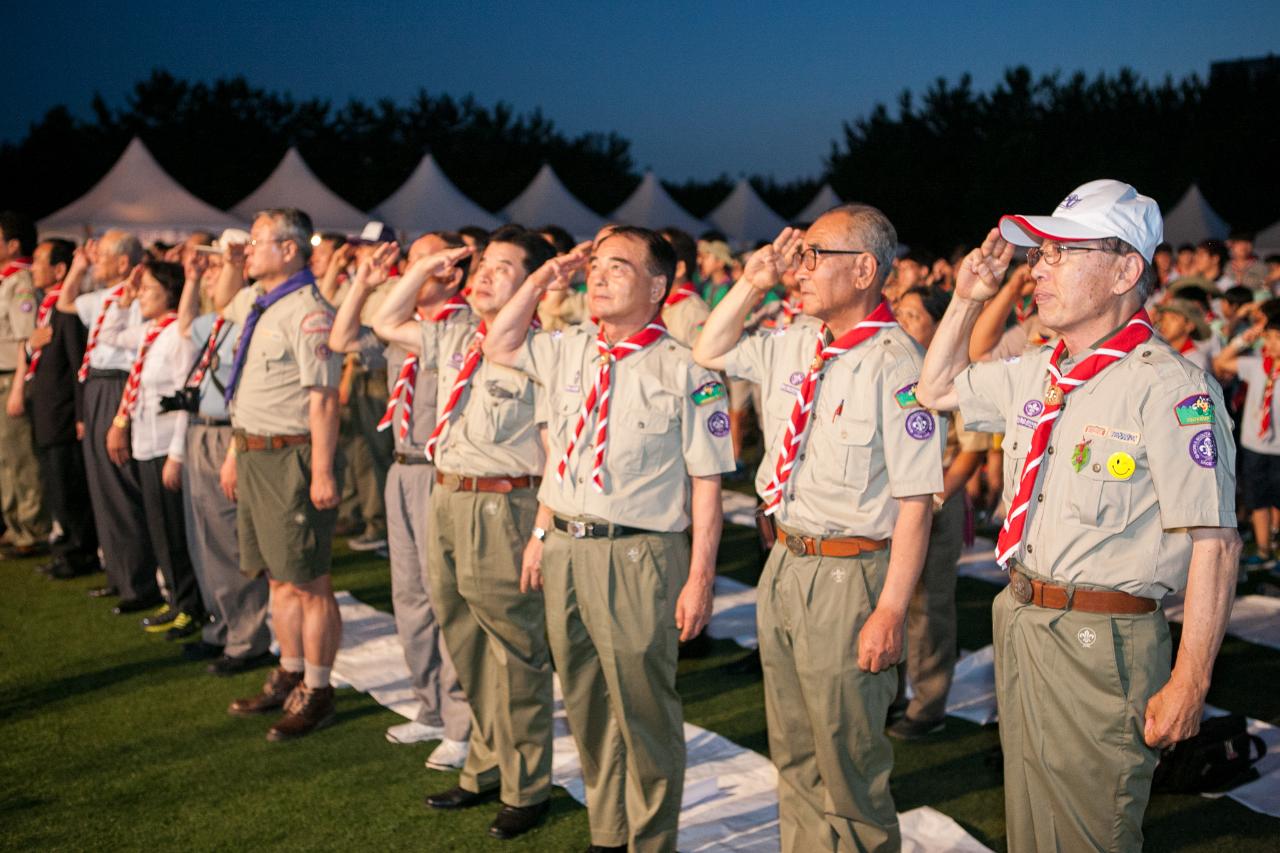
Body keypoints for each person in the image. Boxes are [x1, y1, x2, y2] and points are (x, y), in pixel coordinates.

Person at [917, 179, 1241, 852]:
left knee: (1089, 833)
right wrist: (968, 298)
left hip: (1105, 642)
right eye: (1043, 253)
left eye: (1063, 252)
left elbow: (1215, 541)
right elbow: (936, 388)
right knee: (1033, 828)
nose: (1039, 267)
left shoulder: (1171, 388)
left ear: (1126, 270)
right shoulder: (1042, 370)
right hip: (1024, 619)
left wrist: (1191, 679)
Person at [695, 207, 942, 853]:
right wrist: (751, 283)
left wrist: (890, 609)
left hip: (850, 570)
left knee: (850, 758)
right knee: (795, 747)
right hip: (784, 559)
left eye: (813, 255)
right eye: (797, 255)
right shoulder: (794, 339)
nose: (797, 270)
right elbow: (710, 346)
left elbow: (916, 502)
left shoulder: (898, 364)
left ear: (865, 269)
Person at [486, 225, 734, 853]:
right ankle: (608, 830)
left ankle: (651, 839)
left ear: (657, 286)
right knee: (587, 703)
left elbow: (707, 484)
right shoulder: (569, 348)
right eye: (595, 264)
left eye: (617, 266)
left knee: (644, 708)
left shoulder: (689, 369)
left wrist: (700, 578)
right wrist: (546, 276)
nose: (597, 276)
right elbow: (500, 341)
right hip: (567, 545)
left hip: (639, 554)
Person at [375, 225, 556, 841]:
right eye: (482, 263)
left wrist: (541, 532)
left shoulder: (542, 351)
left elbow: (554, 452)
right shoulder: (453, 334)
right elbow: (382, 319)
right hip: (446, 496)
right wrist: (431, 266)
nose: (483, 274)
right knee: (464, 641)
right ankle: (483, 764)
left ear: (533, 282)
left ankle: (527, 783)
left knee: (516, 650)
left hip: (503, 507)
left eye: (503, 267)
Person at [330, 232, 472, 760]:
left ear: (450, 272)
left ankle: (461, 719)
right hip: (402, 469)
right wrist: (363, 283)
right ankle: (430, 706)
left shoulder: (464, 326)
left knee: (445, 598)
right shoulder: (404, 327)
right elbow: (344, 339)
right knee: (409, 597)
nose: (408, 270)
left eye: (422, 263)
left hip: (442, 471)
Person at [219, 208, 344, 742]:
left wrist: (320, 472)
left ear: (289, 248)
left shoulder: (309, 311)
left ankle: (318, 689)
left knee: (310, 581)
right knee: (277, 576)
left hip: (292, 455)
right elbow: (225, 320)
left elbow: (323, 399)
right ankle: (290, 671)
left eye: (257, 242)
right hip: (252, 450)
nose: (248, 250)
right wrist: (234, 451)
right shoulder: (257, 300)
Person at [889, 285, 990, 739]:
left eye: (913, 315)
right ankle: (889, 694)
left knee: (928, 607)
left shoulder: (956, 375)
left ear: (937, 323)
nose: (902, 320)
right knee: (887, 600)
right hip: (892, 503)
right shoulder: (891, 364)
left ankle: (927, 705)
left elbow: (970, 455)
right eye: (900, 312)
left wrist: (930, 500)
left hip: (936, 503)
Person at [178, 232, 273, 674]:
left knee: (229, 539)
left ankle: (247, 638)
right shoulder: (215, 322)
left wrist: (237, 443)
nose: (214, 276)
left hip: (228, 433)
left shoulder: (254, 319)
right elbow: (184, 327)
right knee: (204, 539)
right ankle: (221, 628)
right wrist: (192, 280)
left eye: (220, 269)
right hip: (200, 428)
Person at [57, 231, 161, 612]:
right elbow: (65, 303)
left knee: (121, 484)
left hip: (120, 385)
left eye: (101, 257)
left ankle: (140, 583)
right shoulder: (102, 297)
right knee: (102, 487)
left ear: (123, 262)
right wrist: (79, 266)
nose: (95, 262)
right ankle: (119, 576)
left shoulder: (138, 295)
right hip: (97, 385)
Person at [98, 261, 203, 640]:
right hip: (144, 443)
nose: (141, 295)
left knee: (175, 530)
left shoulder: (178, 334)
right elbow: (108, 334)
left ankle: (191, 606)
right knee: (159, 528)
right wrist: (124, 298)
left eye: (148, 290)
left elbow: (184, 400)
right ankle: (175, 596)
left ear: (169, 295)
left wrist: (176, 454)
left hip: (165, 446)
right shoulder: (149, 330)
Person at [25, 237, 99, 579]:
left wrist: (81, 415)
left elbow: (77, 365)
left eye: (39, 261)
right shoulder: (46, 306)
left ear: (59, 269)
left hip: (63, 411)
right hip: (46, 410)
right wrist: (29, 346)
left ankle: (79, 552)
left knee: (69, 486)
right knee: (56, 486)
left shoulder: (67, 311)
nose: (33, 268)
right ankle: (65, 547)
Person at [1212, 306, 1280, 569]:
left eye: (1276, 338)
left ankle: (1275, 546)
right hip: (1254, 446)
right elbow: (1221, 362)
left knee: (1277, 499)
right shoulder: (1257, 366)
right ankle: (1263, 550)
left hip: (1278, 449)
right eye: (1269, 337)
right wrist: (1245, 338)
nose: (1270, 343)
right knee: (1257, 498)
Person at [0, 210, 51, 558]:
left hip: (9, 377)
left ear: (13, 244)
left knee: (21, 457)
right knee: (6, 457)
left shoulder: (20, 282)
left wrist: (19, 385)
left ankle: (32, 528)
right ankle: (15, 523)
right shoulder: (6, 280)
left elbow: (25, 339)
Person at [1154, 299, 1212, 370]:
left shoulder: (1196, 362)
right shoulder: (1160, 352)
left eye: (1173, 318)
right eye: (1163, 318)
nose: (1165, 323)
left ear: (1189, 325)